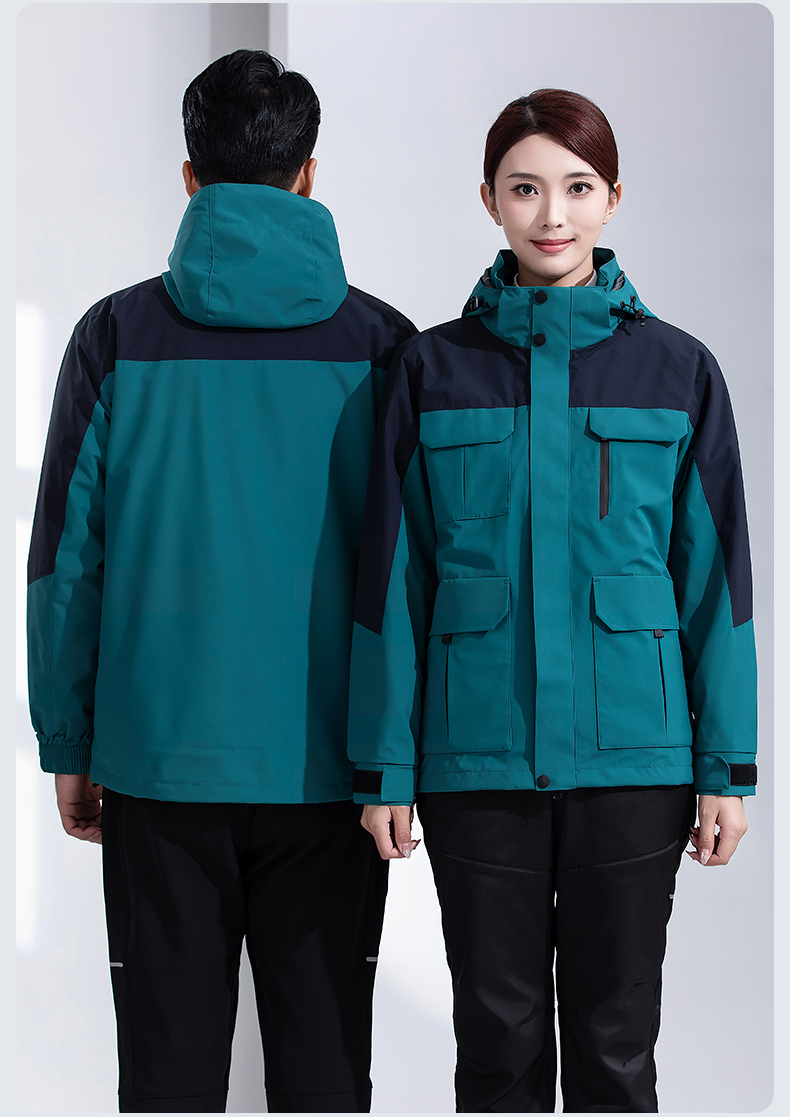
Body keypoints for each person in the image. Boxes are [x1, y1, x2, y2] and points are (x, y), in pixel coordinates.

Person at [348, 89, 756, 1112]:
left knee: (618, 1047)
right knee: (497, 1046)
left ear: (613, 197)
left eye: (576, 187)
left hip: (635, 763)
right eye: (524, 189)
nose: (552, 214)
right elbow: (393, 580)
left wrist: (727, 766)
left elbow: (717, 585)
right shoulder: (432, 369)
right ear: (489, 200)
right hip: (476, 762)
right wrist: (385, 765)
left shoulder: (678, 370)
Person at [27, 49, 415, 1114]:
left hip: (157, 762)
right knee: (325, 1073)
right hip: (332, 771)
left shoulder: (115, 337)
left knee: (167, 1076)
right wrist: (397, 759)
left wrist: (69, 742)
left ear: (190, 177)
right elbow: (409, 573)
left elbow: (65, 559)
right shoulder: (384, 345)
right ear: (309, 174)